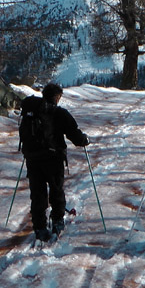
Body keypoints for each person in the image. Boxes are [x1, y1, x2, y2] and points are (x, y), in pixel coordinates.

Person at [21, 83, 89, 242]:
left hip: (32, 158)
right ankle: (57, 221)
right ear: (57, 97)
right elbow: (76, 136)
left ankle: (39, 227)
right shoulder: (59, 113)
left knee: (37, 194)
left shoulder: (30, 112)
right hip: (53, 158)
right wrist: (84, 140)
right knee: (56, 190)